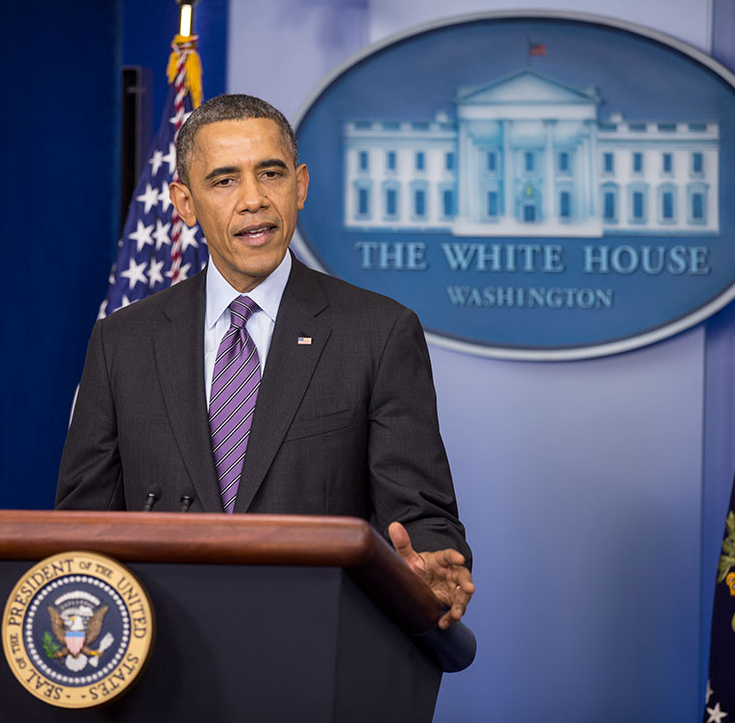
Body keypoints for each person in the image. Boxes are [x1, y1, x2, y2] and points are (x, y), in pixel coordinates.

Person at [56, 94, 473, 629]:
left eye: (270, 174)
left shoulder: (378, 333)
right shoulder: (123, 341)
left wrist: (429, 568)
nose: (253, 199)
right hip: (163, 654)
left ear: (299, 186)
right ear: (184, 203)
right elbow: (81, 528)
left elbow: (420, 520)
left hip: (315, 648)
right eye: (225, 181)